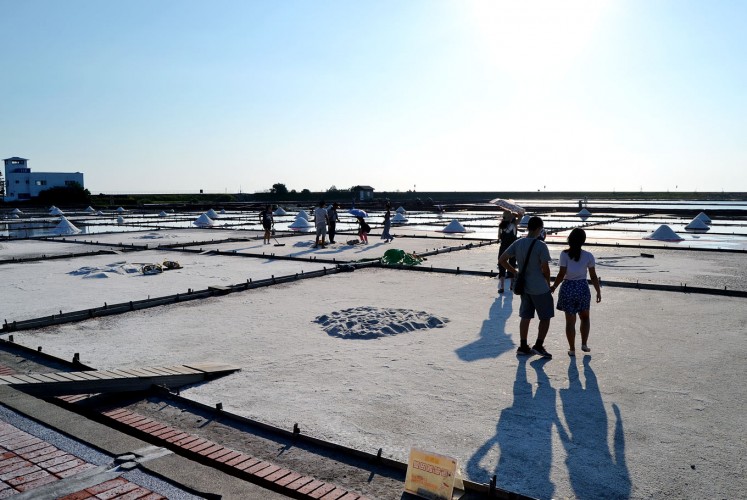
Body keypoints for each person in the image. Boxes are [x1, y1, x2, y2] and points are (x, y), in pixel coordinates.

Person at [499, 216, 554, 359]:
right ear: (538, 228)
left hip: (524, 287)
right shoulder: (541, 245)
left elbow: (502, 259)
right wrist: (548, 284)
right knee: (546, 317)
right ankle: (538, 345)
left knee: (526, 316)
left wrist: (515, 271)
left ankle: (523, 346)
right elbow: (545, 269)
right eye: (541, 228)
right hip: (540, 287)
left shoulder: (519, 243)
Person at [550, 227, 602, 356]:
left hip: (567, 288)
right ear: (583, 241)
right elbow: (593, 276)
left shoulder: (564, 254)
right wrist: (598, 291)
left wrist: (554, 287)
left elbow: (561, 274)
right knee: (585, 318)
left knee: (570, 321)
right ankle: (584, 344)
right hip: (582, 288)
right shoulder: (589, 256)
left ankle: (572, 349)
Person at [497, 211, 518, 293]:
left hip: (503, 248)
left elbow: (499, 236)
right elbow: (518, 219)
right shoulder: (513, 225)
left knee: (501, 265)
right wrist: (516, 216)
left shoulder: (501, 226)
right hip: (512, 248)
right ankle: (511, 285)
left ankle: (502, 286)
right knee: (512, 264)